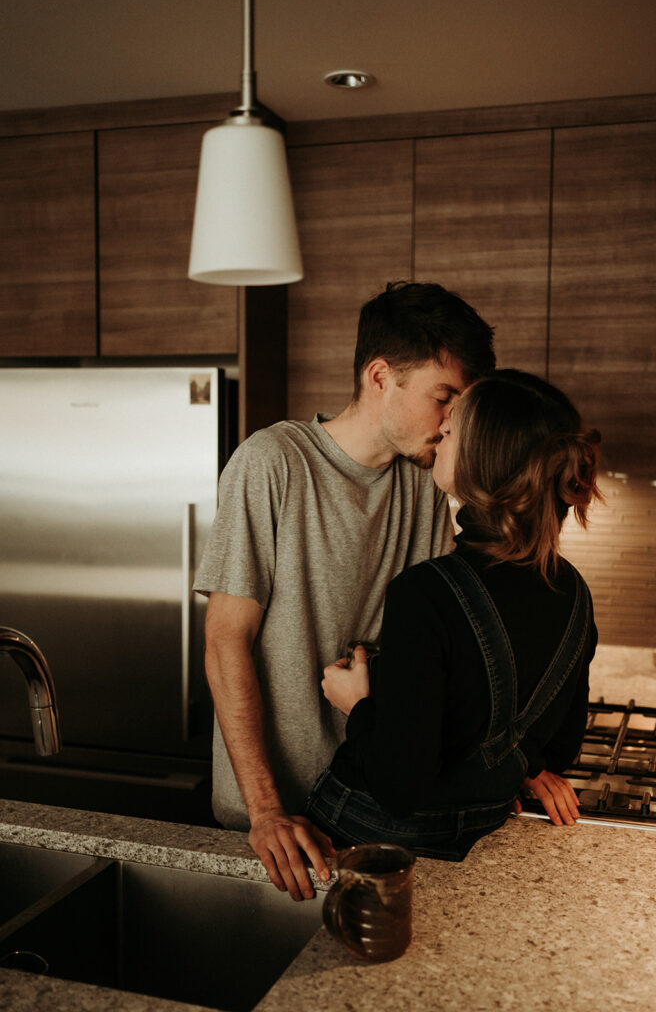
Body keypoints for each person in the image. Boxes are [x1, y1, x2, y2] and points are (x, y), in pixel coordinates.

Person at [193, 281, 496, 899]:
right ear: (380, 376)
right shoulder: (273, 462)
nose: (450, 422)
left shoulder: (428, 486)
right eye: (444, 398)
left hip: (368, 816)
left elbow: (453, 646)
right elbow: (225, 643)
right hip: (271, 829)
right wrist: (265, 810)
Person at [308, 369, 602, 860]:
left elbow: (399, 789)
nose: (439, 433)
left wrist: (357, 703)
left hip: (368, 841)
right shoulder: (574, 593)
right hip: (481, 839)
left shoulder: (424, 593)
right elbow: (559, 747)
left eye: (452, 430)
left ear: (482, 462)